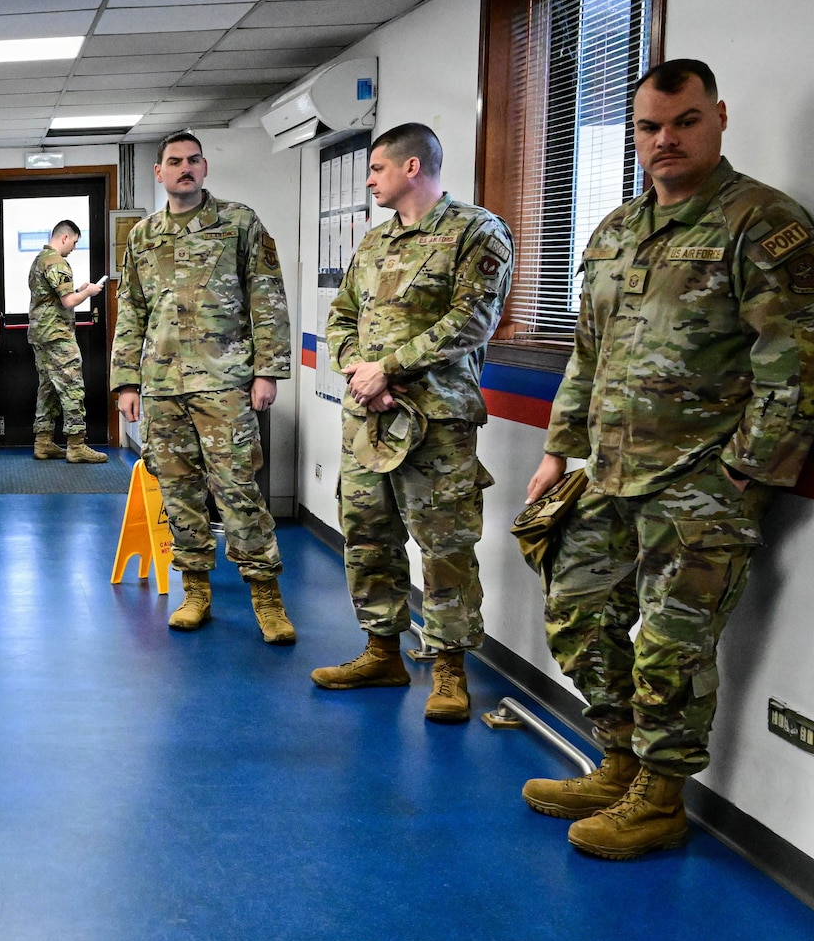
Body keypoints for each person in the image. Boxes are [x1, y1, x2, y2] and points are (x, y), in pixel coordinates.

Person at [523, 60, 814, 860]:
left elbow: (793, 366)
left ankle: (660, 799)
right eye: (648, 127)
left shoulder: (761, 225)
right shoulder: (617, 231)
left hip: (700, 485)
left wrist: (743, 476)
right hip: (610, 470)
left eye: (684, 121)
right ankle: (619, 760)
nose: (665, 140)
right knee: (579, 609)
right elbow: (588, 355)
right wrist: (560, 452)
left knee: (670, 647)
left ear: (719, 118)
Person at [315, 122, 513, 724]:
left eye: (376, 169)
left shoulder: (476, 232)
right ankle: (382, 651)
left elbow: (472, 321)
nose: (369, 179)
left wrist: (390, 367)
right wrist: (358, 372)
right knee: (367, 535)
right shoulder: (374, 244)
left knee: (445, 545)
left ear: (410, 169)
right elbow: (342, 315)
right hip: (368, 420)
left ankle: (450, 668)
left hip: (437, 422)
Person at [112, 131, 296, 642]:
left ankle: (267, 598)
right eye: (174, 162)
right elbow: (132, 311)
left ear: (205, 167)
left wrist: (267, 371)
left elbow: (267, 297)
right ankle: (195, 591)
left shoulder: (238, 222)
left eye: (193, 160)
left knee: (238, 489)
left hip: (225, 382)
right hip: (162, 385)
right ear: (159, 172)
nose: (184, 169)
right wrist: (126, 381)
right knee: (178, 492)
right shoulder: (143, 235)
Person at [27, 220, 108, 463]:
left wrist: (80, 289)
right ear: (64, 237)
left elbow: (55, 297)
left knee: (48, 388)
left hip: (41, 334)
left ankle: (43, 442)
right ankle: (76, 445)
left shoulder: (39, 259)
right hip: (58, 336)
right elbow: (69, 302)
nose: (73, 247)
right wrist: (90, 292)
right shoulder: (56, 261)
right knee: (72, 387)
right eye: (74, 242)